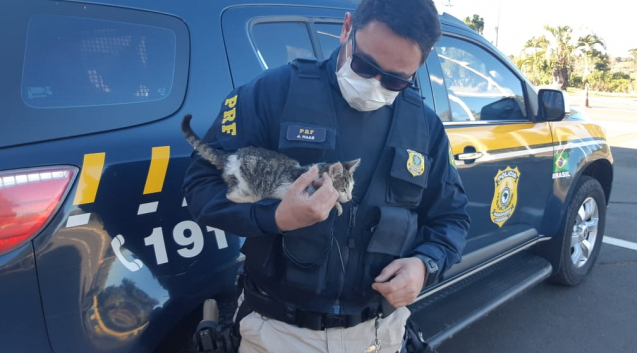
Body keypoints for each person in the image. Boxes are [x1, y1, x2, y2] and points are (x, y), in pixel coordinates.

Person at [183, 0, 470, 351]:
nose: (375, 85)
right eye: (365, 66)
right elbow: (201, 186)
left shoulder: (425, 126)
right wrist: (274, 217)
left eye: (396, 80)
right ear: (346, 28)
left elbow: (452, 218)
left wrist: (426, 265)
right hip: (278, 334)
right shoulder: (273, 92)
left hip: (380, 334)